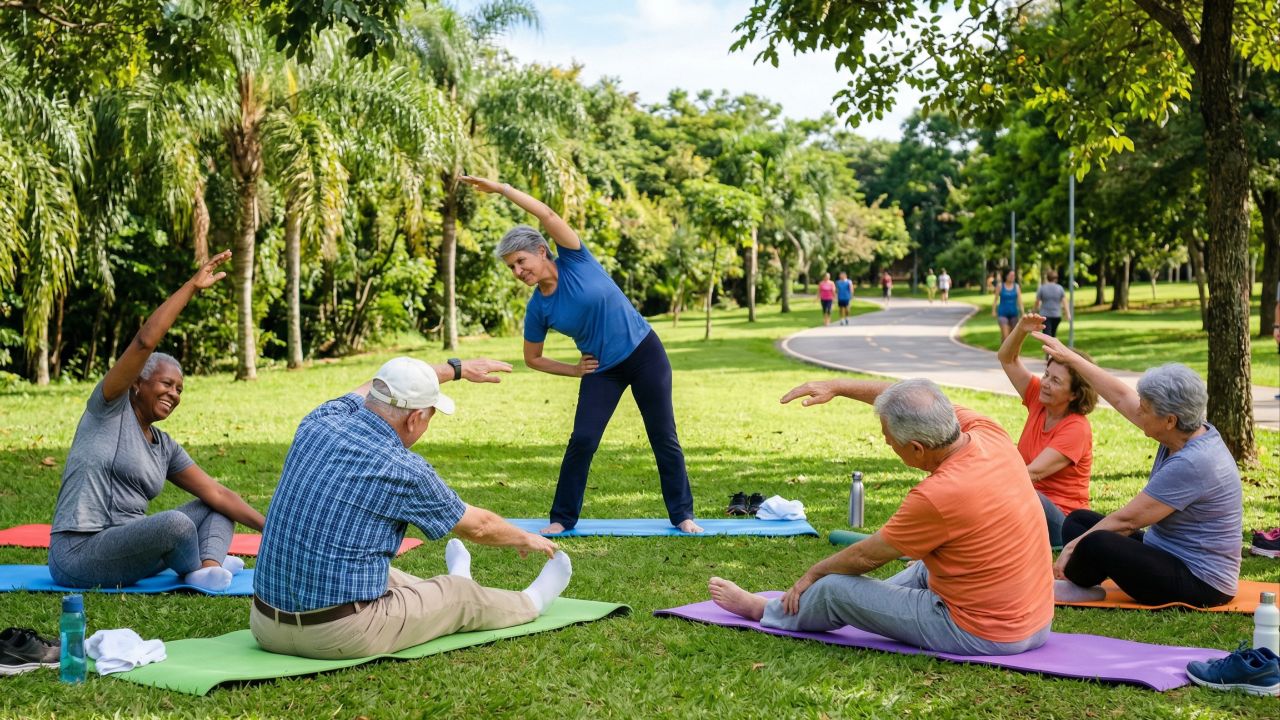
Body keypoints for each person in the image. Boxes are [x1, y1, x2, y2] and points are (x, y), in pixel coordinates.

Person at [251, 357, 572, 660]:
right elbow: (479, 526)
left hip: (265, 626)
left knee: (380, 573)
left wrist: (454, 370)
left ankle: (461, 579)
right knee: (458, 597)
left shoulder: (319, 421)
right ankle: (532, 601)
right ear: (415, 418)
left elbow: (370, 386)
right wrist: (526, 538)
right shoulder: (403, 469)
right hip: (340, 635)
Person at [708, 377, 1053, 656]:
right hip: (1036, 621)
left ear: (916, 448)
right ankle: (868, 604)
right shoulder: (987, 432)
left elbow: (864, 556)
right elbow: (904, 396)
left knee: (834, 589)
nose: (887, 442)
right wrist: (838, 387)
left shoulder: (938, 495)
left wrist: (812, 573)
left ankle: (763, 611)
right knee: (922, 566)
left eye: (889, 441)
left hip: (981, 632)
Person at [461, 174, 702, 535]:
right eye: (511, 267)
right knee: (584, 440)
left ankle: (683, 515)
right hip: (602, 370)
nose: (517, 271)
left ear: (542, 251)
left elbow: (546, 214)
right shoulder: (538, 308)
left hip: (645, 352)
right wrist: (574, 371)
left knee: (662, 435)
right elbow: (533, 358)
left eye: (521, 261)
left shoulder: (576, 259)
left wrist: (501, 189)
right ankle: (562, 518)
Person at [49, 251, 265, 592]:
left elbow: (217, 492)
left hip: (130, 549)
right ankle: (201, 564)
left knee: (219, 506)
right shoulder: (108, 409)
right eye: (166, 384)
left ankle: (207, 567)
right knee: (177, 524)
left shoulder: (164, 446)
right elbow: (144, 341)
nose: (174, 394)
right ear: (137, 382)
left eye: (179, 389)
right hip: (79, 554)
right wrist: (192, 287)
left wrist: (272, 528)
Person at [1034, 337, 1242, 608]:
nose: (1138, 411)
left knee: (1096, 541)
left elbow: (1128, 520)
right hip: (1165, 551)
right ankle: (1080, 582)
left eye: (1145, 409)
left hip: (1201, 583)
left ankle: (1077, 584)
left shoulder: (1193, 462)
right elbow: (1121, 397)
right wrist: (1072, 359)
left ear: (1169, 420)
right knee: (1078, 521)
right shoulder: (1185, 431)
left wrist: (1073, 548)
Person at [997, 314, 1096, 547]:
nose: (1045, 383)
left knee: (1006, 493)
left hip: (1063, 522)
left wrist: (986, 476)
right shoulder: (1038, 399)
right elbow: (1007, 359)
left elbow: (1032, 474)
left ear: (1074, 394)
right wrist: (1021, 329)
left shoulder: (1076, 428)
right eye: (1046, 375)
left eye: (1056, 381)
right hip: (1026, 503)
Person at [1034, 270, 1068, 338]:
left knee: (1047, 335)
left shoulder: (1042, 288)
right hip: (1056, 315)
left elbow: (1037, 302)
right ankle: (1052, 347)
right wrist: (1067, 314)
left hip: (1045, 315)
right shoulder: (1060, 288)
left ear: (1047, 278)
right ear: (1056, 278)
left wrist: (1034, 312)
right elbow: (1065, 302)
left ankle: (1049, 347)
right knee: (1053, 335)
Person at [992, 270, 1023, 341]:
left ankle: (1008, 351)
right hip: (1002, 314)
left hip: (1014, 314)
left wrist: (1022, 312)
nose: (1013, 277)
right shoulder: (1000, 286)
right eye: (1011, 275)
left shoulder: (1016, 287)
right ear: (1006, 276)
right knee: (1006, 336)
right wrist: (993, 311)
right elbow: (995, 300)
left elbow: (1020, 301)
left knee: (1012, 338)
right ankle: (1003, 351)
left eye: (1014, 275)